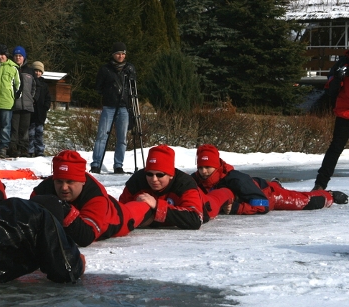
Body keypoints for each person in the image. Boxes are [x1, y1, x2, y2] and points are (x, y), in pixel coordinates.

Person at [31, 150, 153, 247]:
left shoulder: (96, 196)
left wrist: (63, 209)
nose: (64, 187)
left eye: (70, 182)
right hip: (96, 209)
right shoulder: (41, 191)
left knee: (144, 207)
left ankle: (153, 202)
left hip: (120, 217)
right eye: (59, 181)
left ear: (82, 182)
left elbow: (86, 237)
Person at [192, 144, 348, 215]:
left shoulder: (236, 180)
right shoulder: (196, 179)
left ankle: (330, 195)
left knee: (306, 202)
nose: (204, 171)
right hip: (256, 185)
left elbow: (263, 204)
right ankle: (275, 183)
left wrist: (237, 208)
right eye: (200, 167)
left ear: (217, 166)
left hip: (267, 195)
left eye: (208, 167)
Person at [119, 145, 234, 229]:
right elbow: (121, 209)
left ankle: (229, 193)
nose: (154, 179)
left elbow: (195, 219)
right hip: (174, 208)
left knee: (218, 197)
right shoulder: (137, 180)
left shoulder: (185, 183)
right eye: (149, 174)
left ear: (170, 175)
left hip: (205, 204)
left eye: (160, 175)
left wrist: (157, 206)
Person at [90, 42, 135, 174]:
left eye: (123, 54)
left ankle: (118, 165)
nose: (120, 56)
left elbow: (133, 87)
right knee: (102, 136)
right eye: (118, 54)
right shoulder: (105, 69)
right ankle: (96, 164)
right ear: (113, 55)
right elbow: (98, 87)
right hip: (109, 106)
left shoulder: (130, 68)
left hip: (124, 107)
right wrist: (108, 92)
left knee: (122, 138)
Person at [313, 56, 349, 190]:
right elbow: (330, 90)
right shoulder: (343, 62)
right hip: (345, 113)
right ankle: (320, 185)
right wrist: (338, 78)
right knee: (335, 149)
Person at [9, 45, 36, 158]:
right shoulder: (10, 68)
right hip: (14, 105)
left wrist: (31, 98)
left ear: (24, 57)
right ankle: (13, 149)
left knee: (24, 129)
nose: (18, 57)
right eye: (16, 55)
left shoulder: (30, 71)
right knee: (14, 129)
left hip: (27, 105)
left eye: (20, 56)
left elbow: (35, 87)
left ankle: (24, 149)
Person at [29, 61, 51, 157]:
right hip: (31, 113)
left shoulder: (44, 85)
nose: (37, 73)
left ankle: (39, 150)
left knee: (39, 133)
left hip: (41, 113)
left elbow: (48, 98)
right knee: (30, 133)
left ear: (42, 72)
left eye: (39, 71)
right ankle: (30, 150)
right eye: (35, 71)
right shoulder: (30, 82)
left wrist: (46, 107)